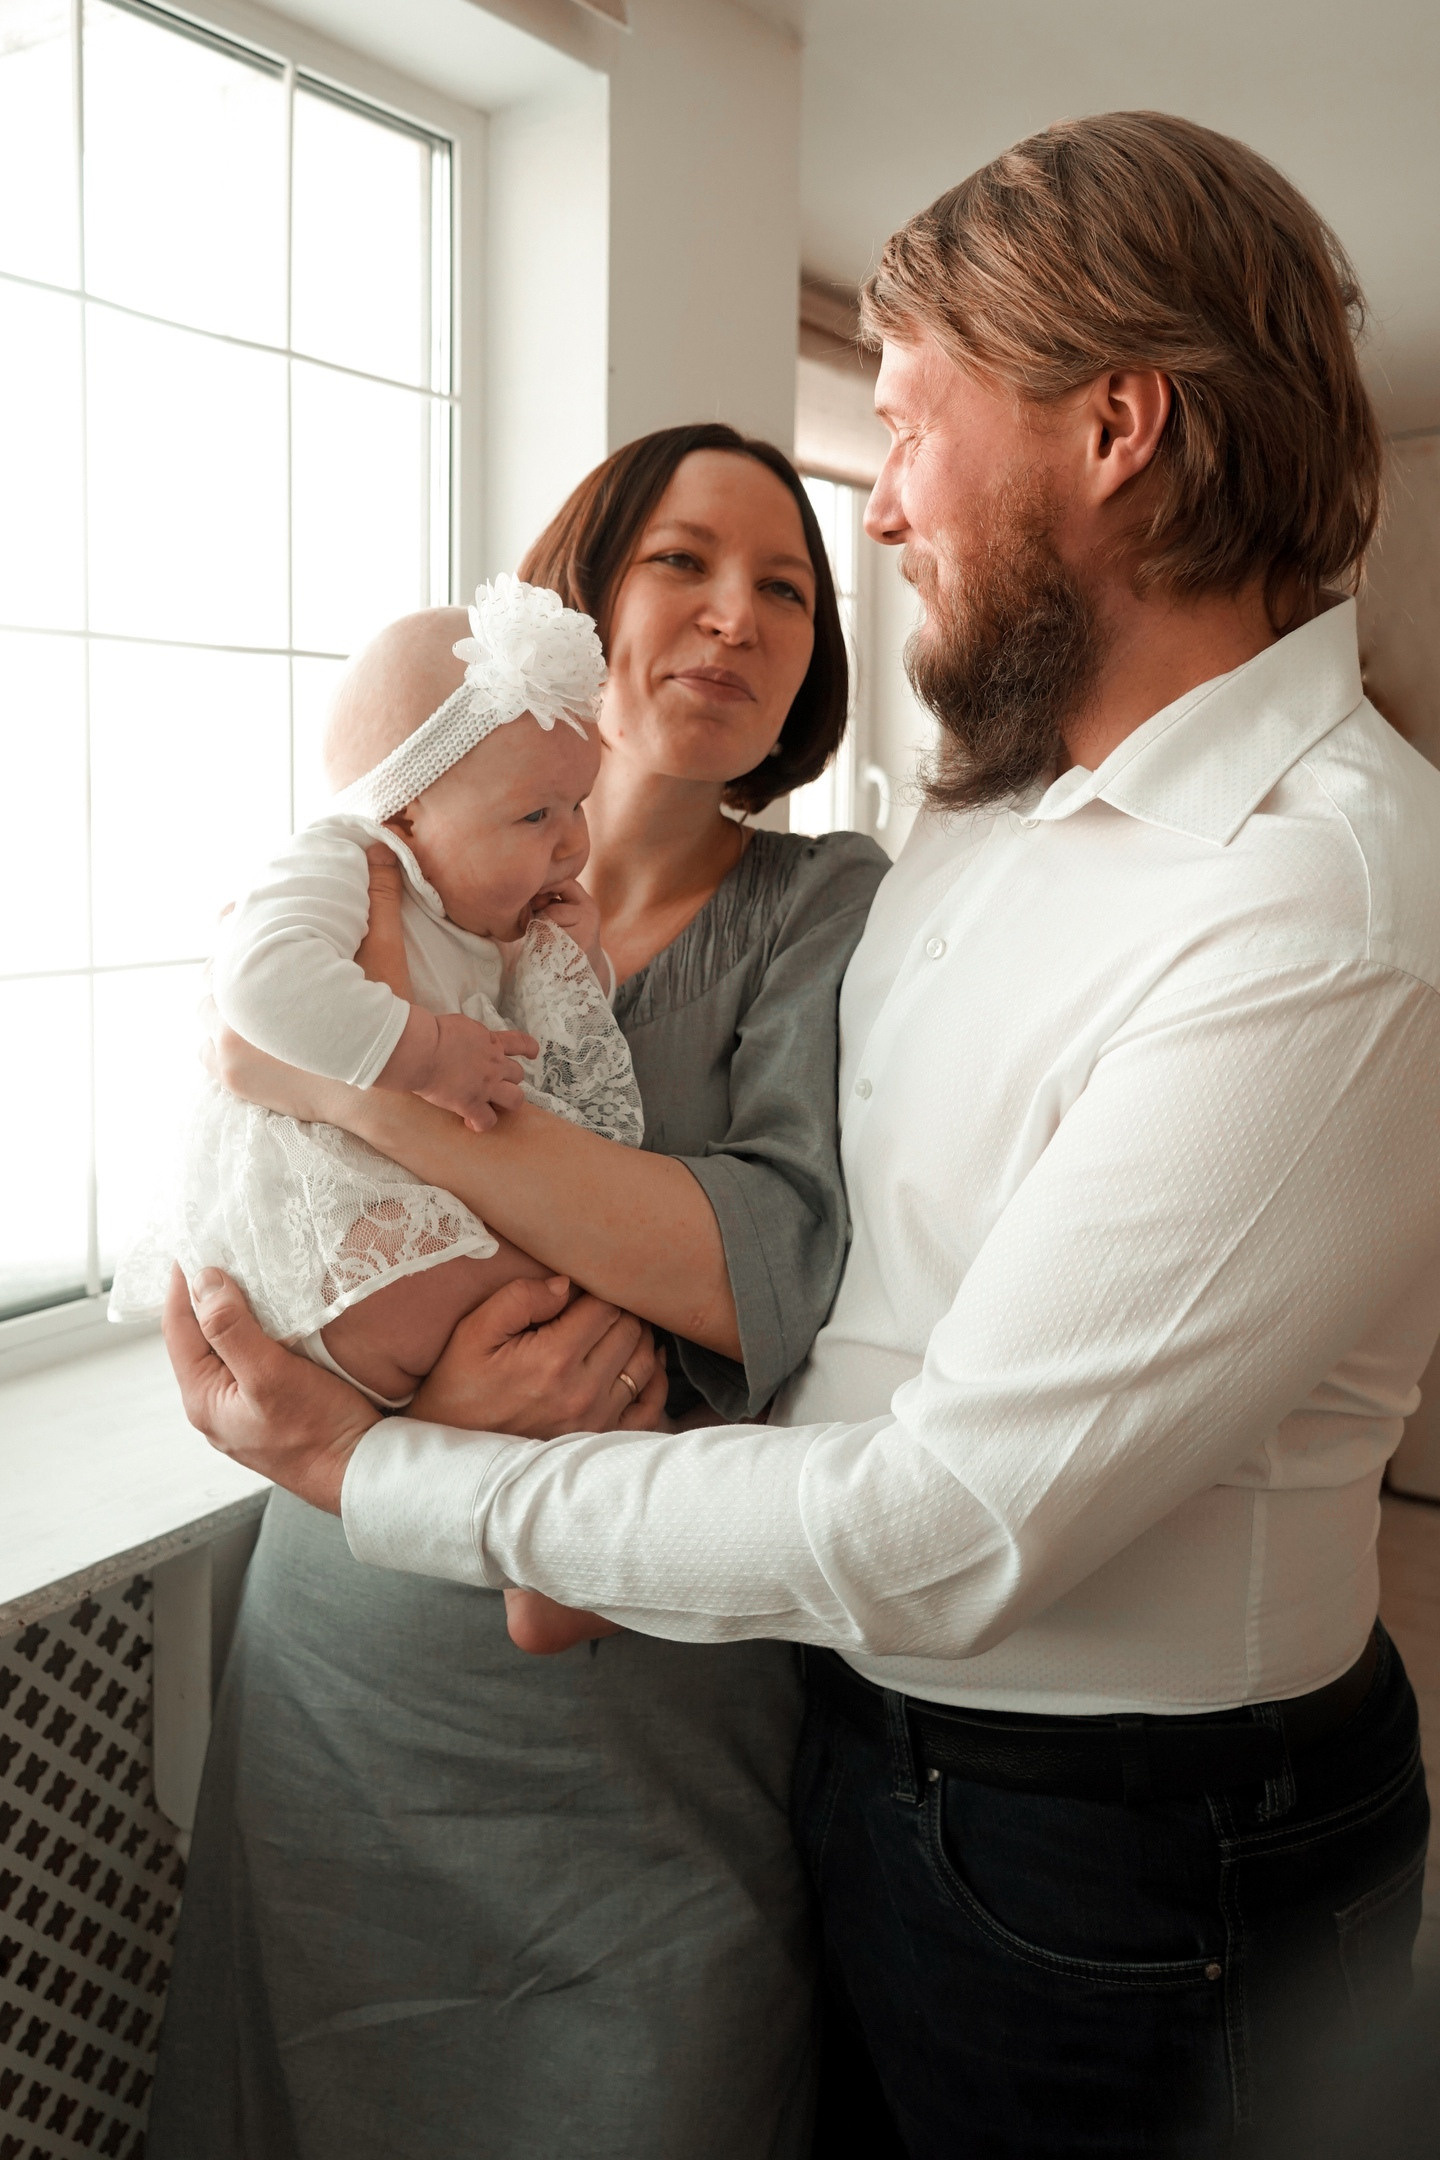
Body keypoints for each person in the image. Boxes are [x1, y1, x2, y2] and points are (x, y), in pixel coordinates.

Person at [171, 116, 1440, 2157]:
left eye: (915, 428)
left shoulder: (1328, 905)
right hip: (857, 1753)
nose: (890, 510)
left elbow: (945, 1519)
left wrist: (371, 1459)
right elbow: (865, 1303)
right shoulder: (983, 823)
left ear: (1116, 427)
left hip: (1124, 1849)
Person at [147, 424, 890, 2160]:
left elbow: (765, 1258)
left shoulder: (823, 904)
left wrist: (367, 1088)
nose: (737, 616)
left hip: (639, 1694)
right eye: (682, 564)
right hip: (358, 1642)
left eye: (787, 586)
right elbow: (246, 1201)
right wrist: (404, 1389)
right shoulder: (378, 861)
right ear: (572, 609)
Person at [113, 577, 644, 1420]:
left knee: (565, 1274)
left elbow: (545, 1055)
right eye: (537, 814)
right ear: (401, 817)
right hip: (315, 1245)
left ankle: (431, 1417)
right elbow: (257, 976)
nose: (574, 840)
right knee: (576, 1280)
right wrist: (426, 1054)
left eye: (578, 803)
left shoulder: (480, 907)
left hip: (395, 1234)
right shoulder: (344, 860)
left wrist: (575, 966)